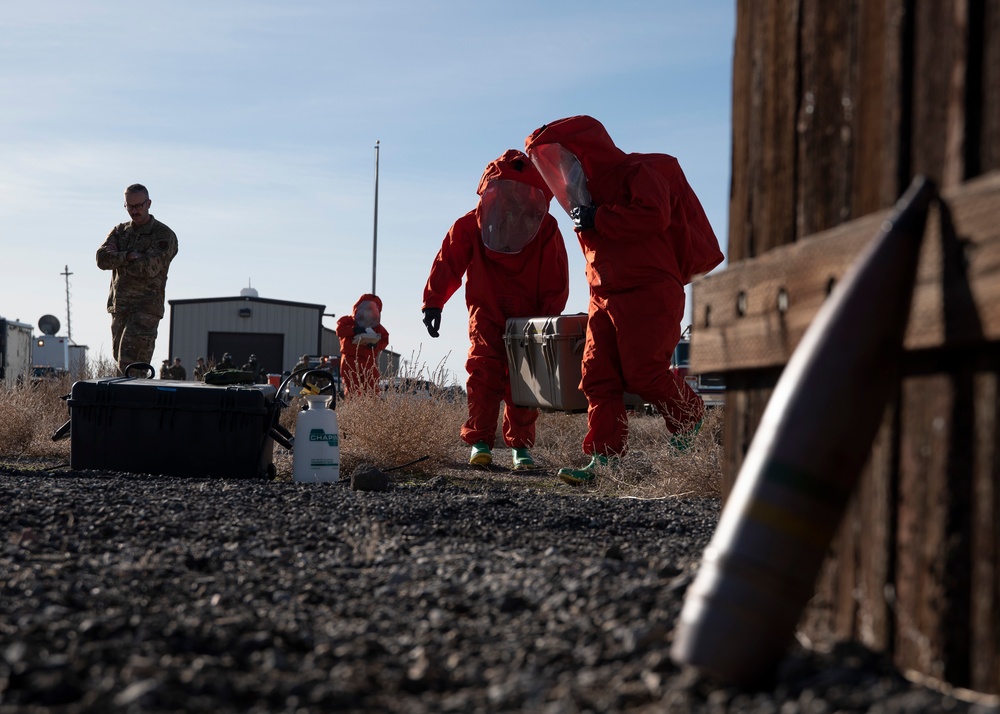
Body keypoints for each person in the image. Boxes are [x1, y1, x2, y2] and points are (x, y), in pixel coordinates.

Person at [524, 116, 724, 484]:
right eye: (556, 161)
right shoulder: (583, 191)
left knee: (645, 372)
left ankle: (690, 422)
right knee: (597, 376)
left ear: (586, 150)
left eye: (565, 157)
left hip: (649, 290)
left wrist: (601, 216)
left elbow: (654, 215)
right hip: (604, 294)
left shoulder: (638, 170)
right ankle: (604, 461)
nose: (563, 168)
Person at [421, 149, 569, 470]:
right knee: (484, 374)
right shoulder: (472, 224)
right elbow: (449, 260)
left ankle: (519, 447)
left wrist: (548, 321)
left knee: (526, 382)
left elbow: (555, 278)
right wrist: (434, 301)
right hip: (488, 311)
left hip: (529, 318)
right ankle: (481, 443)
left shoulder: (544, 228)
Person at [96, 183, 178, 375]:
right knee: (120, 365)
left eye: (138, 206)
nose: (134, 211)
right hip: (120, 308)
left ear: (148, 203)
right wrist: (128, 256)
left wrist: (119, 258)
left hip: (145, 310)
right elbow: (101, 259)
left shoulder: (163, 235)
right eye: (129, 207)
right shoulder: (120, 231)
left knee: (132, 369)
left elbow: (149, 267)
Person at [336, 295, 389, 396]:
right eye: (366, 308)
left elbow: (384, 339)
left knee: (373, 391)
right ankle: (354, 411)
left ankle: (370, 411)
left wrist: (375, 345)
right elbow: (339, 331)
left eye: (371, 309)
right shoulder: (347, 321)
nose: (367, 312)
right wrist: (353, 330)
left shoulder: (377, 327)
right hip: (350, 360)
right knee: (352, 391)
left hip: (368, 361)